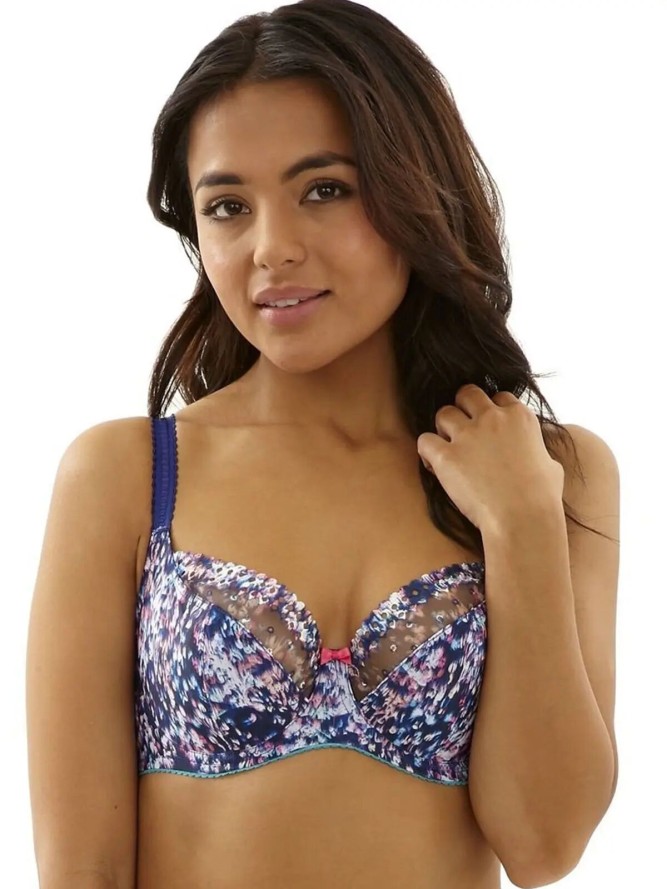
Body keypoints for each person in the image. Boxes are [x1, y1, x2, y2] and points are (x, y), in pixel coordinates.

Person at [25, 1, 620, 887]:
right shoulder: (129, 475)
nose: (272, 248)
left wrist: (521, 522)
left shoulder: (553, 473)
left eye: (324, 190)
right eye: (228, 207)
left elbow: (543, 844)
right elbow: (84, 871)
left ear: (415, 187)